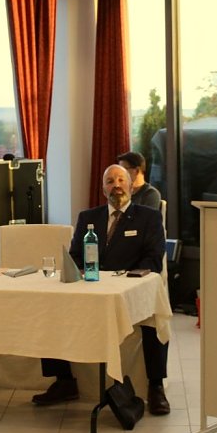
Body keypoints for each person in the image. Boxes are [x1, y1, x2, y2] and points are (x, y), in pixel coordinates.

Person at [31, 164, 171, 415]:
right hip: (91, 289)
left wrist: (129, 280)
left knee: (153, 317)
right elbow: (74, 256)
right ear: (103, 189)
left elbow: (153, 257)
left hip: (131, 288)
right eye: (109, 181)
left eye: (120, 180)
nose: (116, 185)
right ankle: (64, 382)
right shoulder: (88, 217)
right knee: (51, 307)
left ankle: (156, 385)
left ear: (130, 185)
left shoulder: (148, 216)